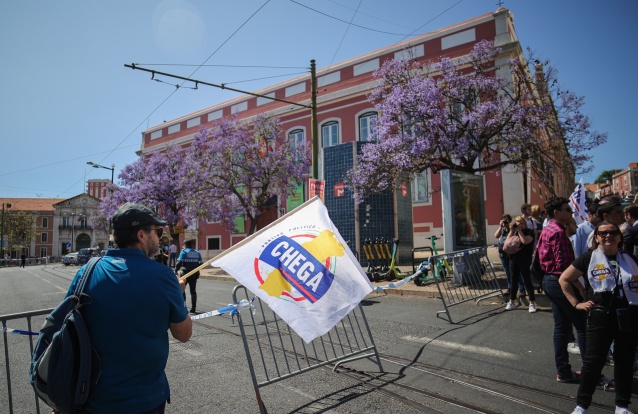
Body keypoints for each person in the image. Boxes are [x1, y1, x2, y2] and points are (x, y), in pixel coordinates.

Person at [65, 202, 192, 413]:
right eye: (158, 232)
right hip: (143, 399)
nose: (160, 238)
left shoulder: (87, 271)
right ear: (141, 235)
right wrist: (180, 295)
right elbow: (184, 334)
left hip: (91, 398)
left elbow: (66, 324)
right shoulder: (163, 276)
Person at [560, 222, 638, 414]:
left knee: (624, 362)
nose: (608, 236)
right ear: (596, 238)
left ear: (619, 237)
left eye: (612, 232)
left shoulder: (631, 259)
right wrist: (577, 303)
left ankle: (622, 406)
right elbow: (565, 279)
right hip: (600, 316)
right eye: (602, 233)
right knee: (593, 363)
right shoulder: (588, 258)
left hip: (628, 316)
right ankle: (581, 406)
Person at [539, 196, 586, 382]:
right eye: (567, 209)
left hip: (550, 280)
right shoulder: (558, 232)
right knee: (582, 325)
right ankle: (591, 373)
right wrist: (580, 287)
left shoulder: (547, 229)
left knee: (561, 327)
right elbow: (565, 266)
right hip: (560, 282)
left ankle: (563, 371)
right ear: (556, 212)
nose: (570, 212)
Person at [504, 215, 538, 313]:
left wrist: (519, 231)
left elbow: (524, 241)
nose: (519, 225)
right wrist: (511, 231)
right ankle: (511, 301)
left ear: (524, 223)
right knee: (513, 280)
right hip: (513, 259)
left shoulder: (529, 232)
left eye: (520, 223)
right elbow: (506, 243)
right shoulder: (514, 232)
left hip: (524, 259)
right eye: (517, 223)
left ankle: (532, 303)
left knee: (526, 280)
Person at [495, 214, 524, 294]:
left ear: (510, 221)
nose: (505, 222)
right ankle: (510, 287)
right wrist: (500, 226)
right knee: (508, 272)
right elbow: (496, 235)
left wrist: (510, 228)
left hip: (511, 253)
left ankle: (521, 288)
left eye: (507, 220)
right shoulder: (502, 228)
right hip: (503, 253)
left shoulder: (513, 228)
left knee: (515, 271)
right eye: (503, 220)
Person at [175, 239, 203, 314]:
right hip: (194, 274)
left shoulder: (184, 252)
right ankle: (193, 308)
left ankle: (184, 307)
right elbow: (201, 263)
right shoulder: (197, 252)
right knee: (193, 291)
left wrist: (176, 270)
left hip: (185, 273)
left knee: (182, 290)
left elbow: (179, 263)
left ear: (186, 245)